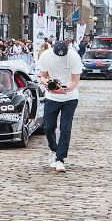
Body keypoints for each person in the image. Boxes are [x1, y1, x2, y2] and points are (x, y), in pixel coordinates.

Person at [37, 39, 83, 173]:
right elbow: (42, 76)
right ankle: (53, 148)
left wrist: (66, 90)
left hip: (70, 96)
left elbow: (75, 80)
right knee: (48, 126)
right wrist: (47, 83)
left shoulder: (74, 57)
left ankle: (60, 159)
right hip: (51, 97)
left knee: (65, 127)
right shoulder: (46, 56)